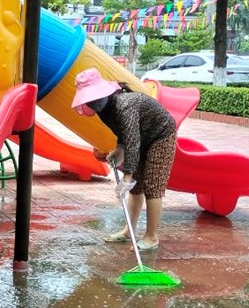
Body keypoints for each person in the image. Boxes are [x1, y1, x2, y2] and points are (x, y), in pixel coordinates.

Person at [71, 68, 177, 250]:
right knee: (136, 187)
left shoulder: (124, 105)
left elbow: (133, 141)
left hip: (161, 135)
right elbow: (125, 133)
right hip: (142, 136)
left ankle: (151, 237)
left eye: (95, 98)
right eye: (89, 100)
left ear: (104, 93)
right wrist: (119, 149)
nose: (93, 103)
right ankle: (129, 231)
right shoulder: (104, 109)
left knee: (153, 185)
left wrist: (127, 177)